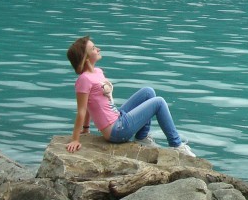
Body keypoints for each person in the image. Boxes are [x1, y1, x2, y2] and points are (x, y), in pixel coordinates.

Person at [64, 36, 194, 156]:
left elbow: (90, 104)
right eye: (93, 48)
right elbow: (82, 109)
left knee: (148, 92)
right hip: (116, 130)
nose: (98, 49)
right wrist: (75, 139)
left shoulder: (98, 72)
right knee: (159, 102)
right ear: (86, 58)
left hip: (117, 117)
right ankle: (176, 145)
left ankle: (142, 138)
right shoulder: (84, 80)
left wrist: (86, 129)